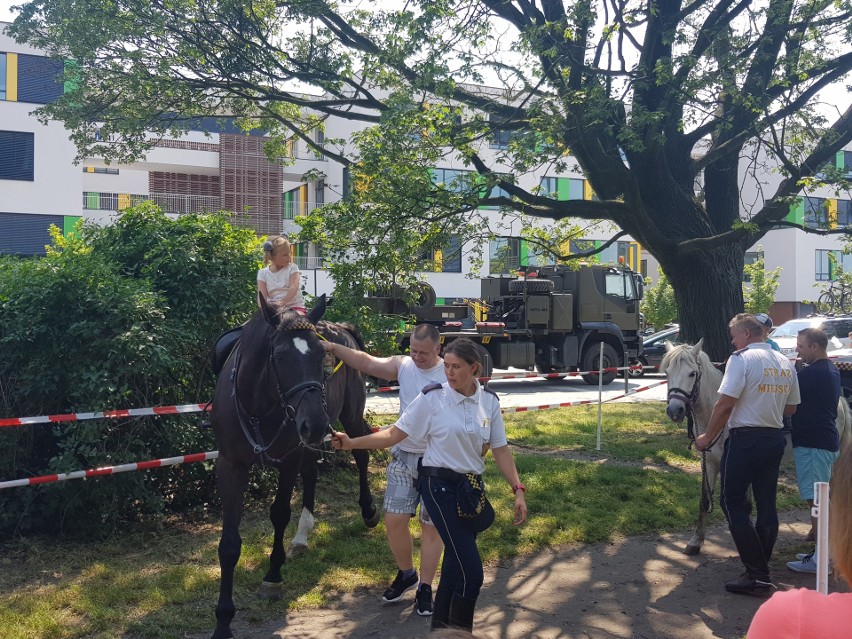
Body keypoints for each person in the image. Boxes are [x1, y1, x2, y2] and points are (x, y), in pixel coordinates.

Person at [331, 338, 528, 632]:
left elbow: (500, 449)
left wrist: (517, 489)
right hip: (437, 488)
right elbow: (393, 435)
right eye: (446, 365)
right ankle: (461, 634)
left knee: (452, 570)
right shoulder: (432, 398)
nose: (448, 372)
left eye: (456, 367)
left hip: (470, 491)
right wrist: (352, 444)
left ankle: (441, 632)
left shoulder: (489, 402)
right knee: (471, 574)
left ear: (474, 368)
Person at [320, 324, 447, 616]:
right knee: (394, 521)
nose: (417, 357)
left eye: (424, 353)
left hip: (437, 462)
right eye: (413, 350)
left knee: (431, 528)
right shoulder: (403, 365)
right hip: (403, 456)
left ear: (438, 349)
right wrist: (334, 348)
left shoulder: (448, 372)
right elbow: (365, 361)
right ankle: (407, 574)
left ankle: (425, 588)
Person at [695, 313, 800, 597]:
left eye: (733, 335)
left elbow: (725, 403)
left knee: (732, 502)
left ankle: (757, 574)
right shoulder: (784, 363)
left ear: (745, 334)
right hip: (774, 438)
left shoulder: (740, 360)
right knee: (767, 504)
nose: (732, 341)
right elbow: (791, 408)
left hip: (745, 439)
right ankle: (759, 566)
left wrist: (706, 438)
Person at [747, 443, 852, 638]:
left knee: (816, 497)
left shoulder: (789, 615)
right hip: (821, 439)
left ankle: (823, 556)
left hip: (811, 441)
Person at [786, 328, 841, 570]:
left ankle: (822, 560)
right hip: (823, 442)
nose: (797, 349)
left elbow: (786, 395)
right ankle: (821, 552)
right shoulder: (830, 369)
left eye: (801, 345)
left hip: (813, 444)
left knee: (817, 503)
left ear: (814, 346)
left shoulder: (811, 375)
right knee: (820, 501)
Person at [257, 235, 306, 313]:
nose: (289, 257)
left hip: (294, 308)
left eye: (289, 253)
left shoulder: (293, 268)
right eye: (285, 255)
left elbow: (293, 288)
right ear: (271, 257)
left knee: (300, 324)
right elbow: (261, 297)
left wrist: (283, 302)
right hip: (273, 310)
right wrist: (265, 308)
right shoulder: (262, 273)